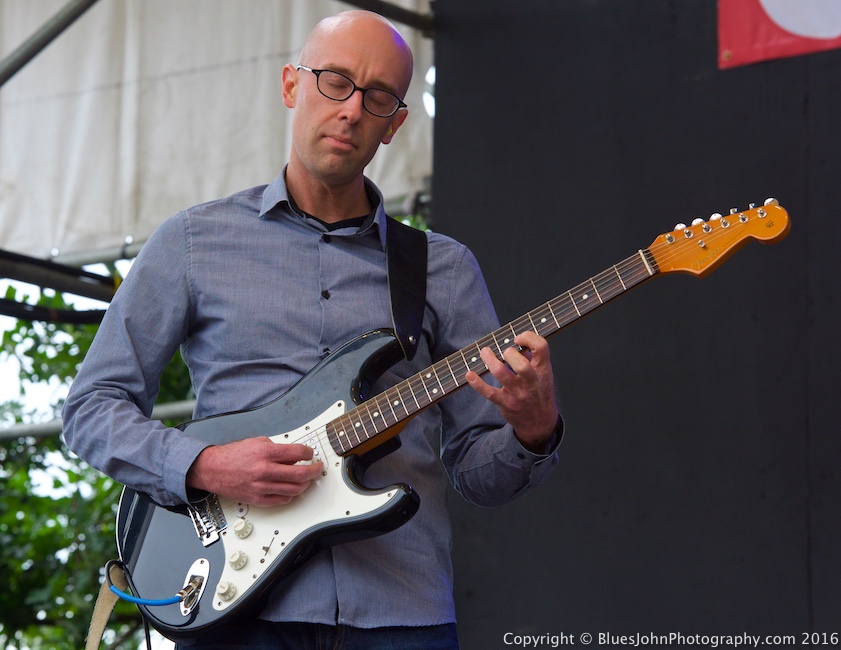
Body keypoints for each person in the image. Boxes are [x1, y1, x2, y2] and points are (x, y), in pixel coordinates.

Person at [62, 10, 562, 649]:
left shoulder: (444, 269)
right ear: (291, 86)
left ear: (394, 124)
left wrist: (533, 428)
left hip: (399, 611)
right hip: (232, 610)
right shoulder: (192, 241)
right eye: (335, 82)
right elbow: (91, 408)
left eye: (377, 96)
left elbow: (477, 475)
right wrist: (204, 465)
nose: (352, 109)